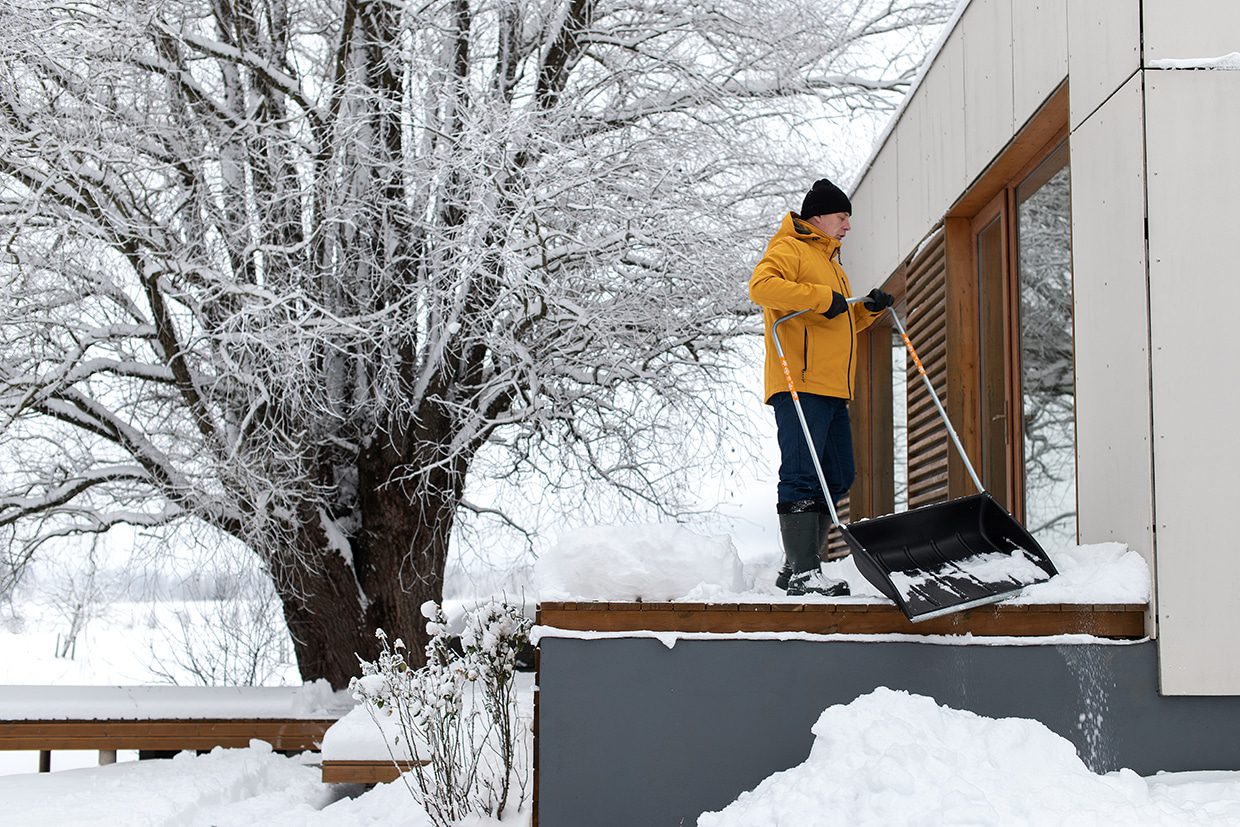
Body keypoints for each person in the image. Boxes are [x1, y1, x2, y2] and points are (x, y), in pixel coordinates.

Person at [749, 178, 894, 596]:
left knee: (839, 474)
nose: (848, 225)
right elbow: (760, 286)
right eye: (842, 217)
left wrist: (865, 309)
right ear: (817, 217)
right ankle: (803, 572)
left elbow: (837, 319)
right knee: (801, 474)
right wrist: (818, 296)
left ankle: (796, 564)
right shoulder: (790, 248)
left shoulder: (833, 263)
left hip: (833, 387)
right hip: (800, 382)